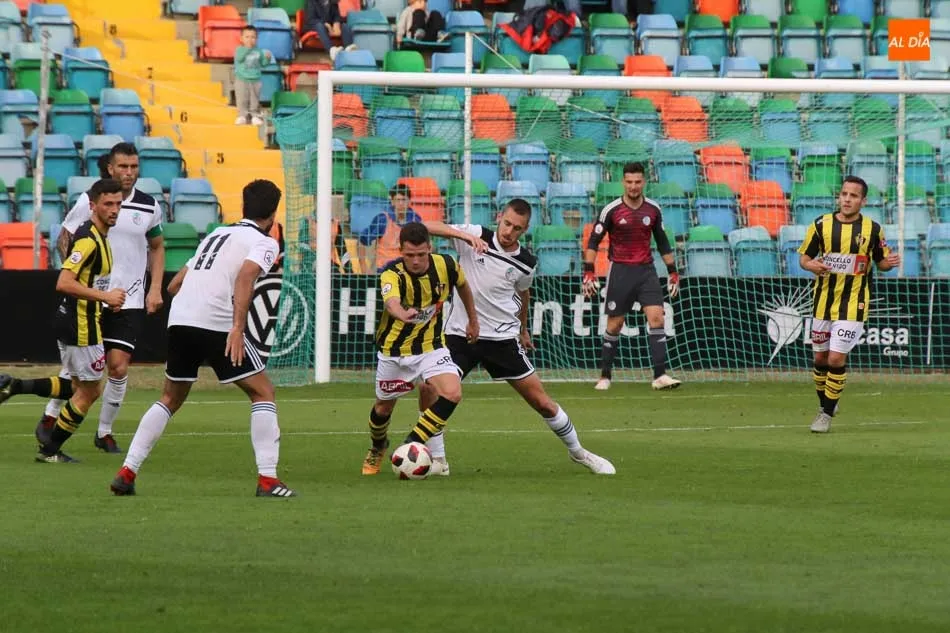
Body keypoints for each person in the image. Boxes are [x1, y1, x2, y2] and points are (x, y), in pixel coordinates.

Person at [110, 180, 295, 497]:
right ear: (273, 214)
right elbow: (246, 275)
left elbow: (174, 285)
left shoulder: (216, 234)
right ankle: (268, 480)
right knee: (263, 392)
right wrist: (237, 328)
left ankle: (127, 472)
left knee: (170, 398)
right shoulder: (264, 242)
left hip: (181, 318)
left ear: (243, 206)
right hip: (216, 322)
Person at [421, 199, 616, 476]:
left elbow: (523, 294)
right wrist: (464, 236)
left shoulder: (526, 263)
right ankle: (439, 460)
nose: (508, 231)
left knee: (542, 402)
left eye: (517, 228)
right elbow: (426, 226)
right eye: (507, 223)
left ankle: (579, 452)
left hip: (502, 339)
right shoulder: (476, 235)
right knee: (430, 388)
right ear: (499, 217)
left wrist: (523, 330)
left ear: (525, 230)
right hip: (461, 334)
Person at [40, 142, 165, 455]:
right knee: (82, 367)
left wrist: (155, 288)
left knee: (118, 367)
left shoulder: (149, 206)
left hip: (128, 299)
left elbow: (157, 246)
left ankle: (104, 431)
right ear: (110, 168)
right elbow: (65, 237)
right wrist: (77, 277)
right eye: (123, 166)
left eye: (134, 167)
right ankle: (50, 416)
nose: (129, 172)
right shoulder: (91, 199)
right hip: (93, 300)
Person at [0, 179, 126, 462]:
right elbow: (64, 282)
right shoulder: (89, 240)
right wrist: (105, 297)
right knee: (90, 392)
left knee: (76, 387)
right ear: (93, 205)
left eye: (118, 204)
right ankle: (49, 450)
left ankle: (16, 386)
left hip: (76, 320)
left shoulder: (100, 236)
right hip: (81, 324)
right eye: (108, 204)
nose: (114, 210)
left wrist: (105, 298)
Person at [361, 222, 479, 475]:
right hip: (394, 352)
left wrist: (473, 319)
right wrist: (402, 313)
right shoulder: (391, 274)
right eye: (409, 255)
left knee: (452, 393)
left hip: (431, 347)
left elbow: (463, 286)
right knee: (383, 408)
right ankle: (378, 446)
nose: (415, 261)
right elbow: (392, 302)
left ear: (430, 248)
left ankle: (412, 443)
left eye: (421, 254)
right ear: (400, 251)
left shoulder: (446, 265)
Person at [798, 175, 900, 434]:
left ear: (863, 201)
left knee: (835, 358)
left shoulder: (872, 229)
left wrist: (890, 263)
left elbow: (881, 263)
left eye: (853, 196)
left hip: (854, 303)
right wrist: (811, 265)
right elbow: (804, 258)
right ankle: (827, 403)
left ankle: (825, 414)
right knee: (820, 357)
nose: (847, 199)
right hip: (822, 301)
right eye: (844, 194)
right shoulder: (820, 224)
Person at [583, 162, 681, 391]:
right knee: (615, 324)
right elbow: (594, 241)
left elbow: (662, 242)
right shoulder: (611, 210)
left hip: (647, 271)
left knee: (657, 319)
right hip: (620, 271)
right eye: (629, 182)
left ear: (644, 182)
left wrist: (673, 271)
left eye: (637, 182)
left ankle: (660, 376)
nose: (633, 186)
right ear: (623, 182)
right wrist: (589, 270)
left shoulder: (653, 209)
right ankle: (605, 376)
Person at [359, 184, 422, 272]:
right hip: (384, 269)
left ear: (409, 202)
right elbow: (362, 241)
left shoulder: (416, 220)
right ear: (392, 201)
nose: (401, 203)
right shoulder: (383, 219)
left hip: (407, 269)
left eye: (404, 200)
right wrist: (364, 268)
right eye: (398, 200)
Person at [234, 26, 273, 126]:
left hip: (255, 79)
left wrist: (267, 58)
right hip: (242, 79)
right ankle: (242, 116)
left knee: (254, 99)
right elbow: (239, 58)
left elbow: (263, 64)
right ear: (241, 39)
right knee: (242, 98)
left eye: (253, 37)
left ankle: (254, 116)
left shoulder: (258, 51)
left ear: (256, 39)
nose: (250, 39)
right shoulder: (239, 49)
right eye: (247, 37)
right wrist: (247, 49)